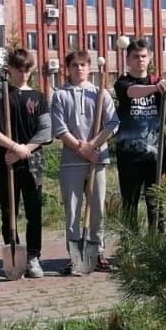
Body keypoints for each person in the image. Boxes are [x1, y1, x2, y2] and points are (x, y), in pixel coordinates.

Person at [0, 48, 52, 278]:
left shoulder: (38, 98)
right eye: (18, 69)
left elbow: (45, 132)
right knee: (9, 211)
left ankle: (33, 256)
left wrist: (24, 150)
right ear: (10, 69)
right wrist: (12, 147)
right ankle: (13, 251)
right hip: (7, 163)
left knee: (34, 212)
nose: (23, 74)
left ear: (31, 71)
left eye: (27, 70)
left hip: (34, 161)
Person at [50, 50, 119, 273]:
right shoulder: (60, 96)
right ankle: (75, 255)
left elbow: (112, 124)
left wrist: (93, 146)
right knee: (72, 209)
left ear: (89, 68)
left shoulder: (101, 94)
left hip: (98, 159)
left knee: (98, 207)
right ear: (67, 69)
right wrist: (82, 148)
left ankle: (97, 252)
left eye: (82, 65)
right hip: (72, 161)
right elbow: (60, 129)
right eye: (74, 65)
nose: (79, 69)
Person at [113, 39, 166, 231]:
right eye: (135, 57)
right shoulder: (122, 82)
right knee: (130, 203)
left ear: (150, 57)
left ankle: (157, 243)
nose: (140, 60)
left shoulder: (157, 82)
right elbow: (131, 92)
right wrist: (155, 88)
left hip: (156, 155)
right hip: (129, 155)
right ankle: (130, 246)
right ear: (128, 59)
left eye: (144, 56)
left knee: (157, 203)